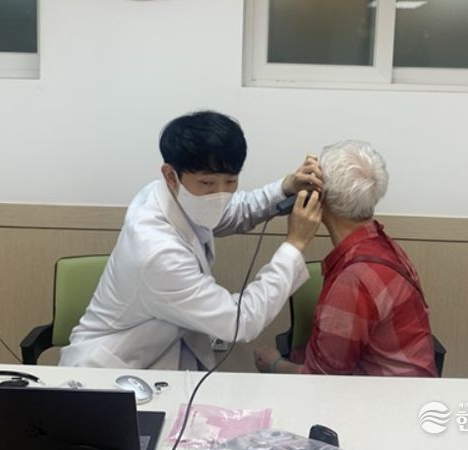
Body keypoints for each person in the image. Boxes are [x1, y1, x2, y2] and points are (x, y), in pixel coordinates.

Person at [59, 111, 323, 370]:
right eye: (207, 183)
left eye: (231, 181)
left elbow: (231, 212)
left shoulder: (173, 196)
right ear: (170, 175)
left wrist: (286, 187)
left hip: (156, 354)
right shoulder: (157, 252)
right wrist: (294, 246)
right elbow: (239, 321)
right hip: (108, 371)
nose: (220, 194)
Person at [254, 140, 437, 377]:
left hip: (380, 396)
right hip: (410, 387)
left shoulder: (353, 278)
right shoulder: (383, 245)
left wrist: (273, 364)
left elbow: (323, 378)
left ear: (319, 195)